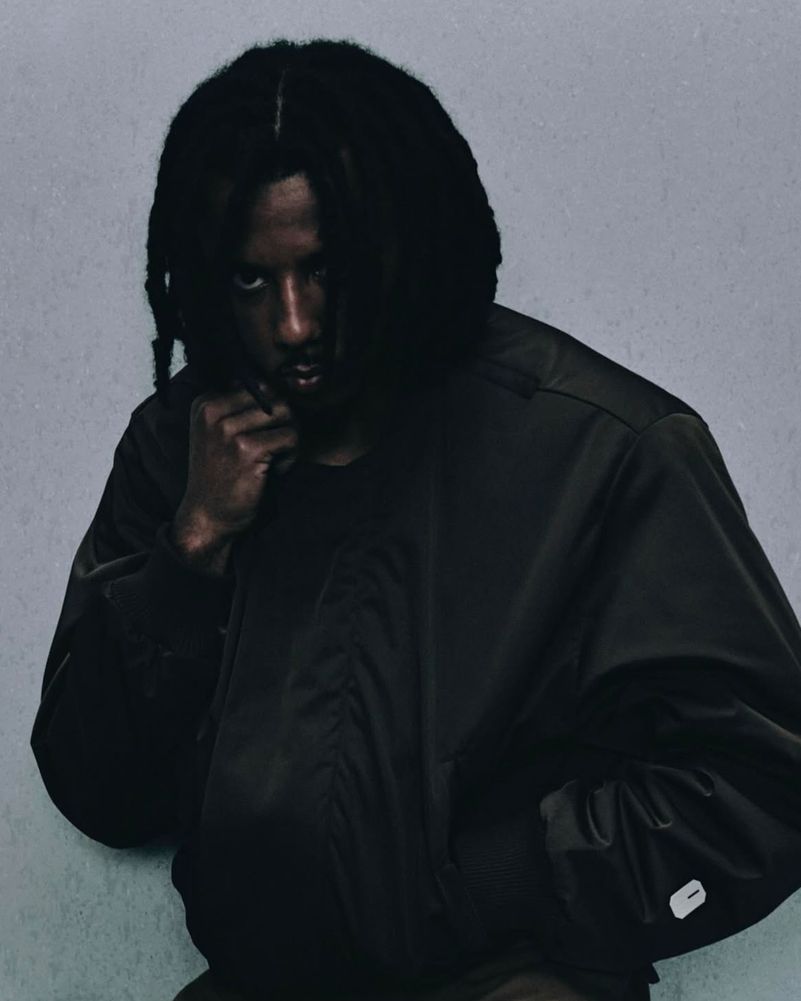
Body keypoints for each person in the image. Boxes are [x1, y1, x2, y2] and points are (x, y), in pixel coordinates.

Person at [30, 38, 801, 1001]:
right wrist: (190, 554)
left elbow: (765, 780)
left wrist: (494, 883)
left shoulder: (601, 448)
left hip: (514, 982)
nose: (294, 323)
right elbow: (99, 793)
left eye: (327, 269)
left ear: (408, 241)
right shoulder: (183, 448)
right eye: (250, 280)